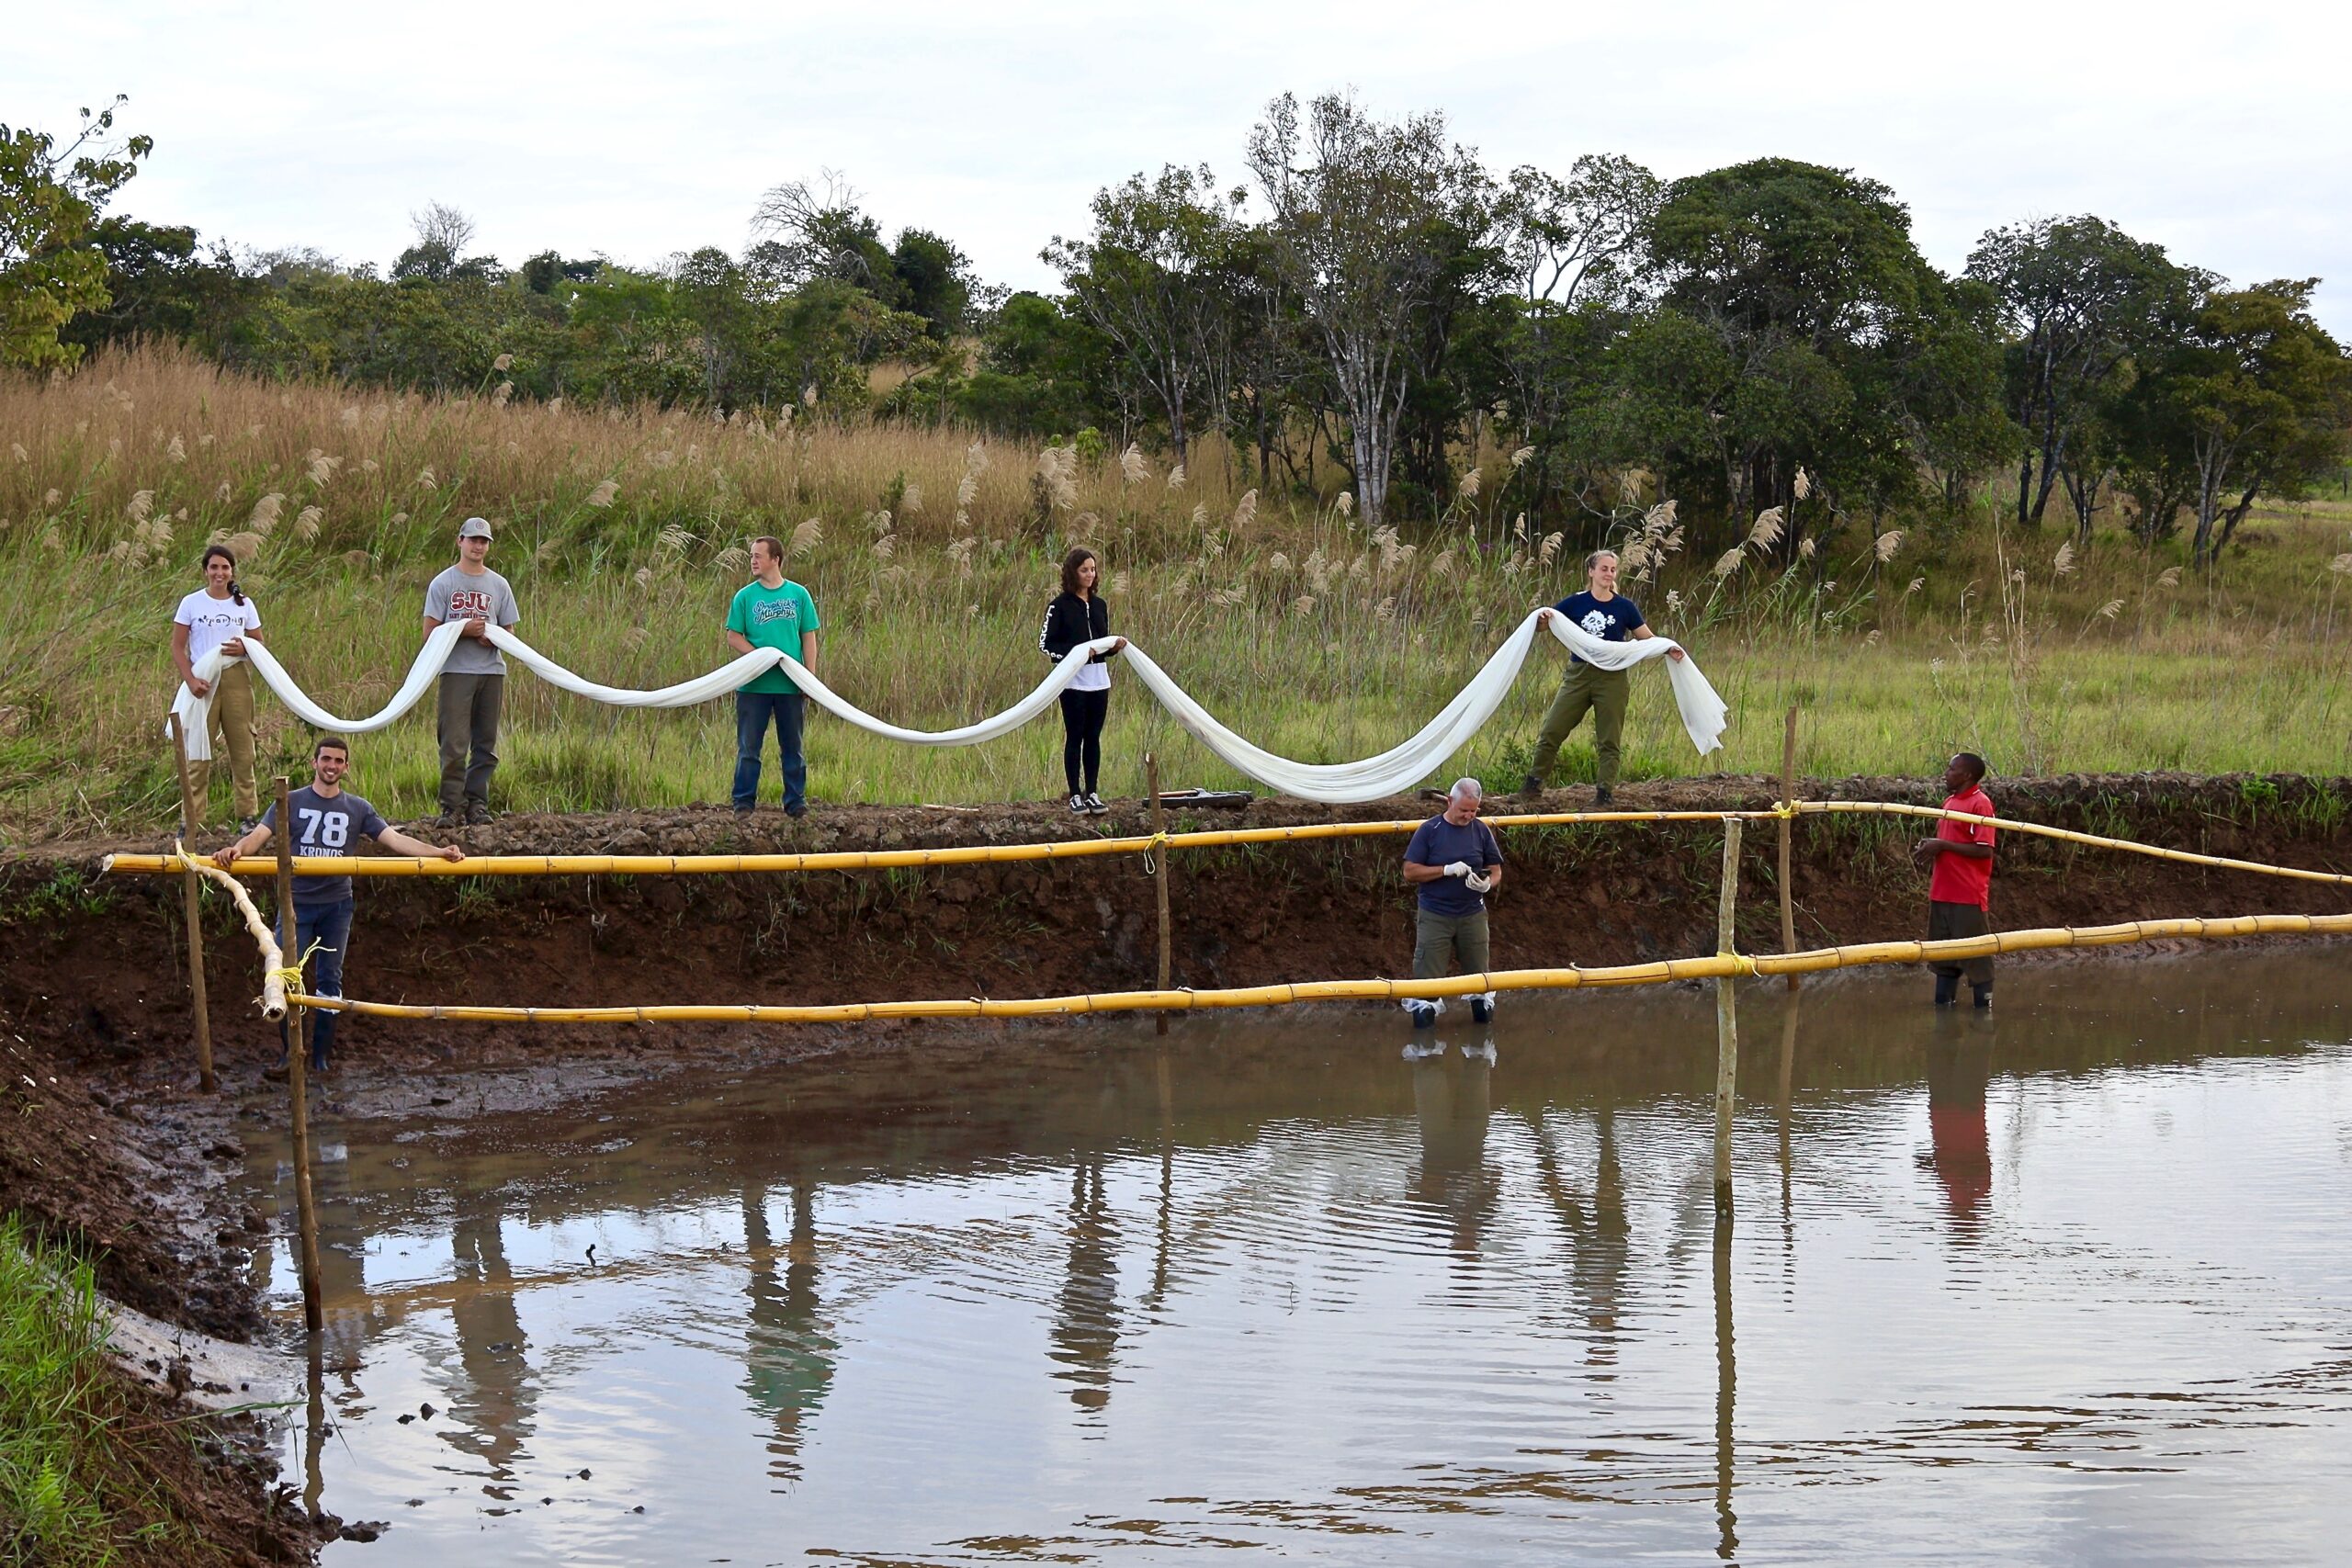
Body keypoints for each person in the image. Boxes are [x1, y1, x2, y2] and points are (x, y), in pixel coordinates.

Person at [213, 736, 463, 1073]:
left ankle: (321, 1059)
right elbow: (258, 836)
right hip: (296, 904)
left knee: (330, 980)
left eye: (338, 761)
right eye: (326, 759)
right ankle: (290, 1055)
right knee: (286, 976)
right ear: (314, 763)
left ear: (346, 767)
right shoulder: (290, 800)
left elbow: (394, 840)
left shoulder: (358, 808)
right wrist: (236, 850)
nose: (331, 766)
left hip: (337, 907)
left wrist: (439, 852)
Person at [1522, 549, 1685, 806]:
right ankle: (1532, 788)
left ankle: (1604, 794)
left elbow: (1646, 637)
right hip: (1578, 675)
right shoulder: (1575, 603)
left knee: (1609, 740)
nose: (1609, 573)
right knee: (1551, 731)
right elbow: (1544, 626)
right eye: (1604, 569)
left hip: (1612, 678)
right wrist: (1542, 618)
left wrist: (1668, 648)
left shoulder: (1624, 607)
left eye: (1613, 569)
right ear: (1591, 571)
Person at [423, 516, 521, 826]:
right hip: (456, 671)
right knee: (453, 743)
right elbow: (429, 633)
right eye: (473, 540)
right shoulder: (443, 583)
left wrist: (492, 636)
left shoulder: (499, 585)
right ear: (460, 541)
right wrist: (464, 629)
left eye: (483, 541)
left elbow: (509, 631)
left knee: (485, 743)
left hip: (491, 671)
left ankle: (477, 805)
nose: (478, 546)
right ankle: (452, 807)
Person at [725, 534, 821, 818]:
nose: (753, 561)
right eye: (751, 556)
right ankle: (743, 803)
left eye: (758, 556)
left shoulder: (798, 595)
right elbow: (733, 635)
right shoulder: (745, 597)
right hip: (753, 686)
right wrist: (761, 657)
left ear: (775, 559)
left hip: (790, 685)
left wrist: (809, 677)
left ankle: (796, 803)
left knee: (793, 747)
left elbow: (808, 636)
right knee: (749, 748)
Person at [1400, 777, 1506, 1029]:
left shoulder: (1481, 831)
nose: (1468, 816)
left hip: (1473, 915)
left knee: (1481, 981)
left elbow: (1496, 870)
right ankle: (1424, 1041)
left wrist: (1488, 884)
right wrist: (1445, 870)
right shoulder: (1430, 830)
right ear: (1449, 802)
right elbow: (1409, 871)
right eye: (1463, 810)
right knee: (1427, 985)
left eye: (1473, 811)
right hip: (1435, 916)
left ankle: (1482, 1040)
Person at [172, 544, 266, 828]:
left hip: (236, 679)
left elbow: (258, 642)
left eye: (225, 567)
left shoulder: (244, 604)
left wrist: (245, 648)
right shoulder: (191, 603)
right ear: (205, 571)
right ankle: (191, 820)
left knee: (243, 751)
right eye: (214, 567)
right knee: (198, 753)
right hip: (202, 679)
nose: (219, 573)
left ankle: (247, 816)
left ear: (232, 572)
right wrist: (190, 681)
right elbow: (177, 647)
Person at [1038, 547, 1126, 815]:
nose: (1090, 575)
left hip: (1099, 681)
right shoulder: (1059, 606)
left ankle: (1093, 792)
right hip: (1073, 682)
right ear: (1072, 573)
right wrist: (1075, 654)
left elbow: (1101, 643)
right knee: (1075, 736)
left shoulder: (1100, 605)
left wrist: (1114, 647)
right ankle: (1075, 794)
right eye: (1084, 570)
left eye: (1093, 569)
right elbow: (1046, 644)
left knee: (1093, 737)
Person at [1913, 752, 1996, 1009]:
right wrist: (1932, 845)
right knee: (1943, 957)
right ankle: (1943, 1006)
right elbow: (1949, 843)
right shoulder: (1949, 802)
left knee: (1977, 955)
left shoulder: (1980, 804)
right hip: (1942, 892)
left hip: (1967, 894)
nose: (1946, 774)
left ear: (1967, 775)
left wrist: (1942, 845)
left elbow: (1985, 850)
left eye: (1951, 769)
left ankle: (1984, 1010)